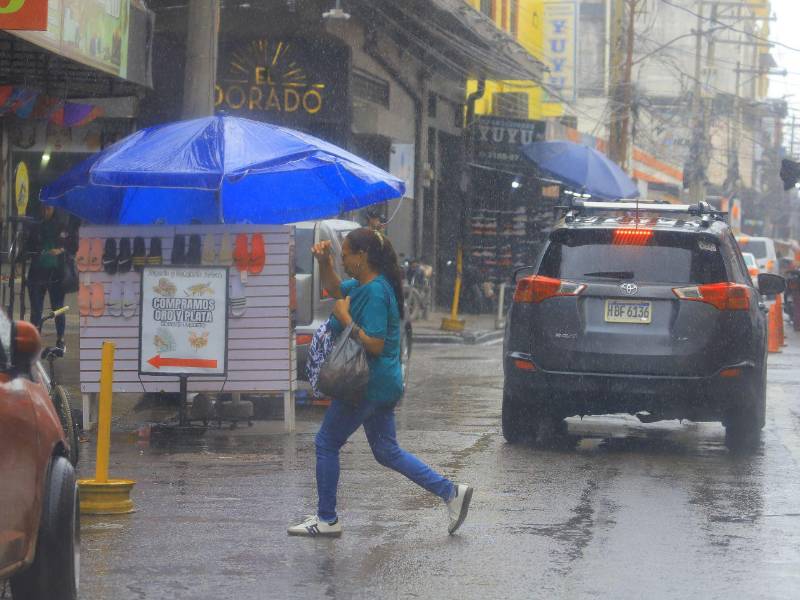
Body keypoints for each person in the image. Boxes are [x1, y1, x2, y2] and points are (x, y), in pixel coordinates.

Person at [288, 228, 473, 537]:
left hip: (364, 384)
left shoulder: (374, 291)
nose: (344, 259)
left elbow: (374, 343)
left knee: (326, 442)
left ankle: (327, 519)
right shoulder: (365, 284)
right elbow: (335, 289)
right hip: (380, 384)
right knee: (387, 451)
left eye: (346, 254)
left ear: (362, 257)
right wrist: (324, 261)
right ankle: (450, 492)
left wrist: (345, 320)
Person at [26, 205, 75, 350]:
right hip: (37, 273)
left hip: (56, 273)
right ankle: (35, 339)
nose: (46, 211)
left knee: (58, 307)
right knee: (36, 309)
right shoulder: (37, 226)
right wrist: (36, 252)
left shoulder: (62, 225)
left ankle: (60, 338)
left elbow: (72, 244)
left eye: (49, 208)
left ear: (54, 208)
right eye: (44, 208)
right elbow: (29, 247)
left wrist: (61, 250)